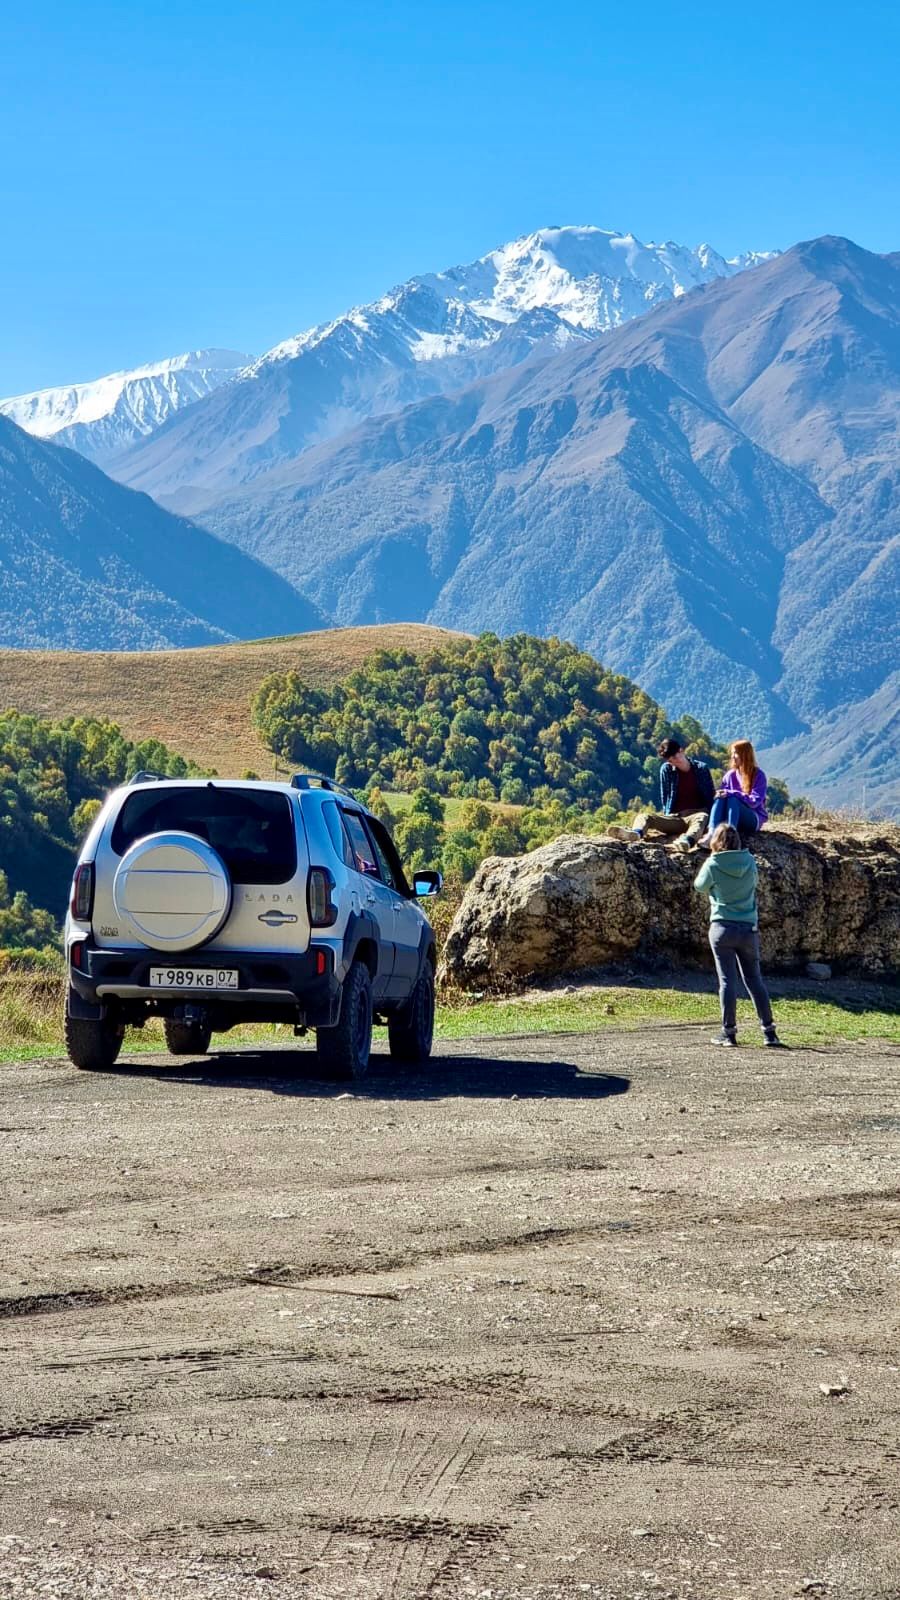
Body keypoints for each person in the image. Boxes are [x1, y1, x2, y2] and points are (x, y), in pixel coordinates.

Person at [693, 822, 784, 1048]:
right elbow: (755, 883)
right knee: (754, 979)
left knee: (727, 981)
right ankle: (769, 1032)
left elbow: (699, 886)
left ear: (716, 841)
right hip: (748, 928)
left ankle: (729, 1032)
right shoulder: (749, 860)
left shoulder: (713, 863)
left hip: (722, 927)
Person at [607, 737, 714, 849]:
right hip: (675, 817)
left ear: (681, 751)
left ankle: (687, 841)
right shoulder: (667, 770)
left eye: (674, 756)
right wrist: (667, 815)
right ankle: (636, 834)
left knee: (702, 817)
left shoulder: (701, 769)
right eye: (670, 760)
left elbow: (710, 795)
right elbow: (665, 795)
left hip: (697, 814)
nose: (674, 761)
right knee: (644, 816)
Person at [700, 739, 768, 844]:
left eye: (735, 753)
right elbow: (724, 795)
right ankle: (711, 834)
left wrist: (733, 793)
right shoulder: (730, 775)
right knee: (720, 797)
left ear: (744, 754)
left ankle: (730, 836)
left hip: (752, 817)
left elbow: (754, 802)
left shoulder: (758, 775)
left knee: (732, 798)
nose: (732, 756)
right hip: (732, 814)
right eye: (732, 753)